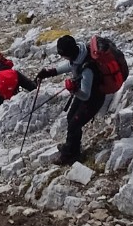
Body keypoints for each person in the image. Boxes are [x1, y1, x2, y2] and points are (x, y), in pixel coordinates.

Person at [36, 35, 107, 166]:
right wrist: (49, 72)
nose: (63, 58)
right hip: (84, 93)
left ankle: (70, 155)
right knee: (71, 118)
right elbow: (71, 66)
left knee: (75, 123)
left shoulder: (87, 68)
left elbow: (86, 95)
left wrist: (74, 90)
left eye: (63, 55)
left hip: (94, 98)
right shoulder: (79, 54)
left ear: (68, 53)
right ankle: (73, 148)